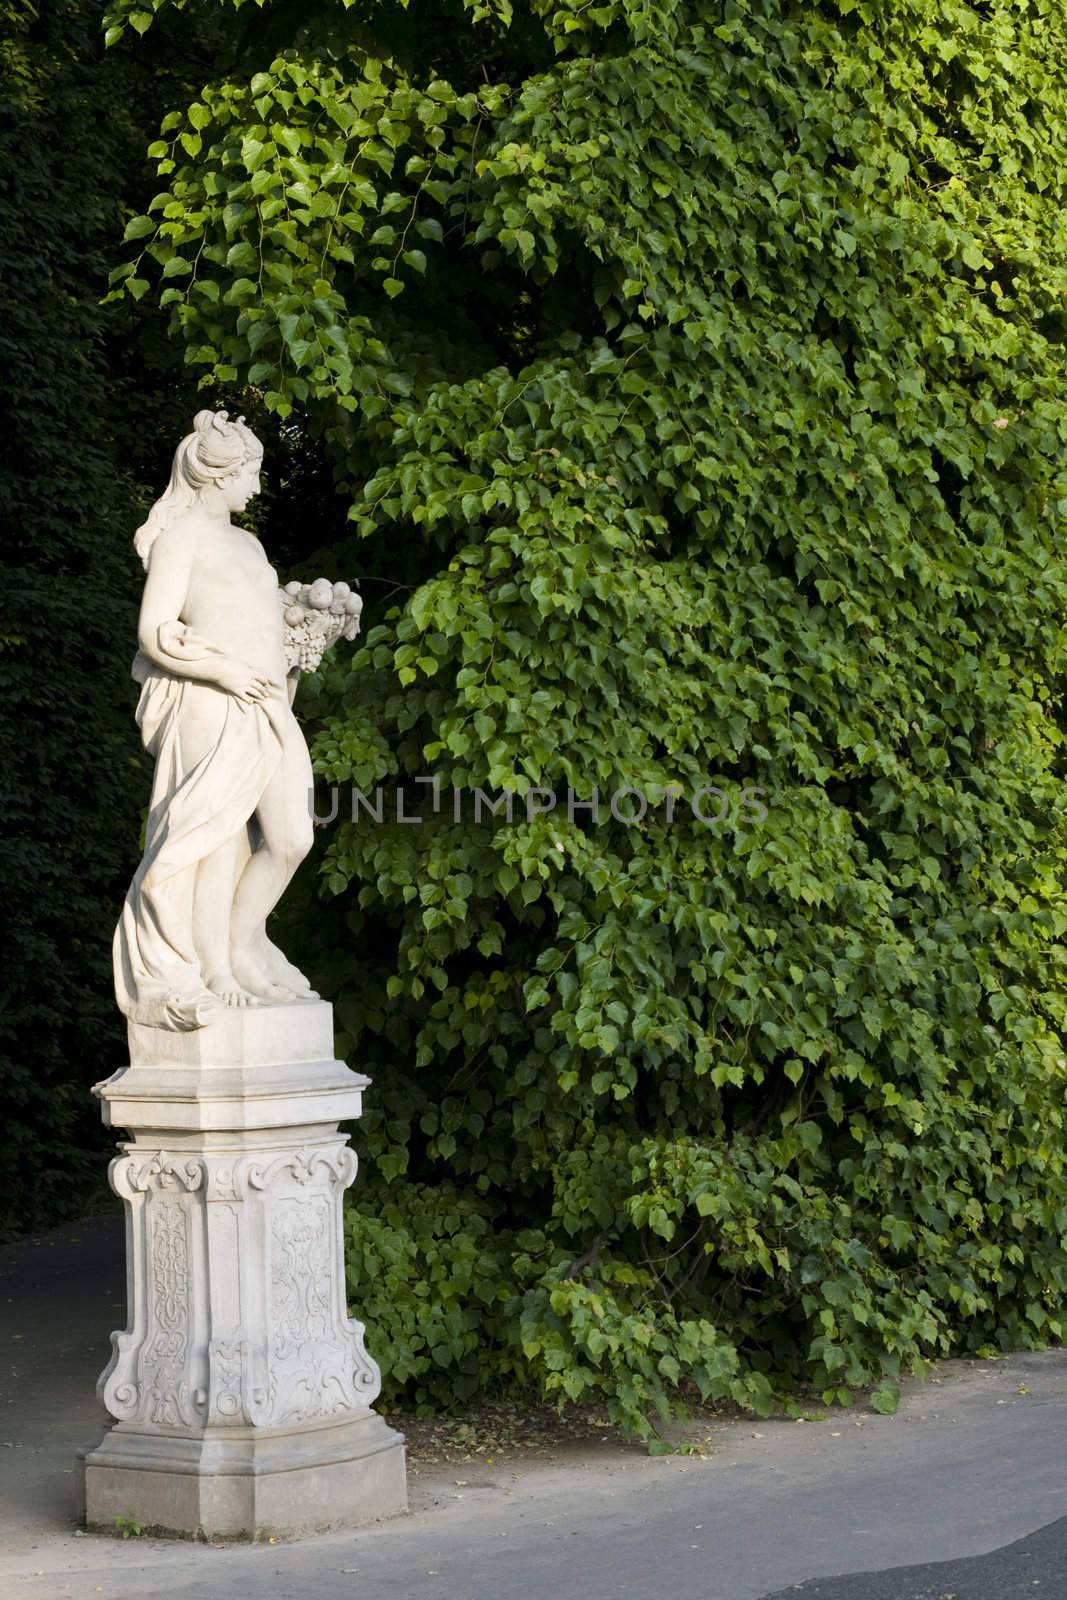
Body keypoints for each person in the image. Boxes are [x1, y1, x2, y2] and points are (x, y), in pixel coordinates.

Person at [114, 409, 317, 1030]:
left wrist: (306, 641)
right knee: (219, 839)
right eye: (250, 474)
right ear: (216, 474)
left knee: (292, 838)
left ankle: (242, 941)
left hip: (267, 702)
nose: (255, 489)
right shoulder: (183, 539)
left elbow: (264, 633)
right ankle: (216, 968)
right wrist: (223, 673)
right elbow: (154, 631)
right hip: (215, 698)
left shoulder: (249, 543)